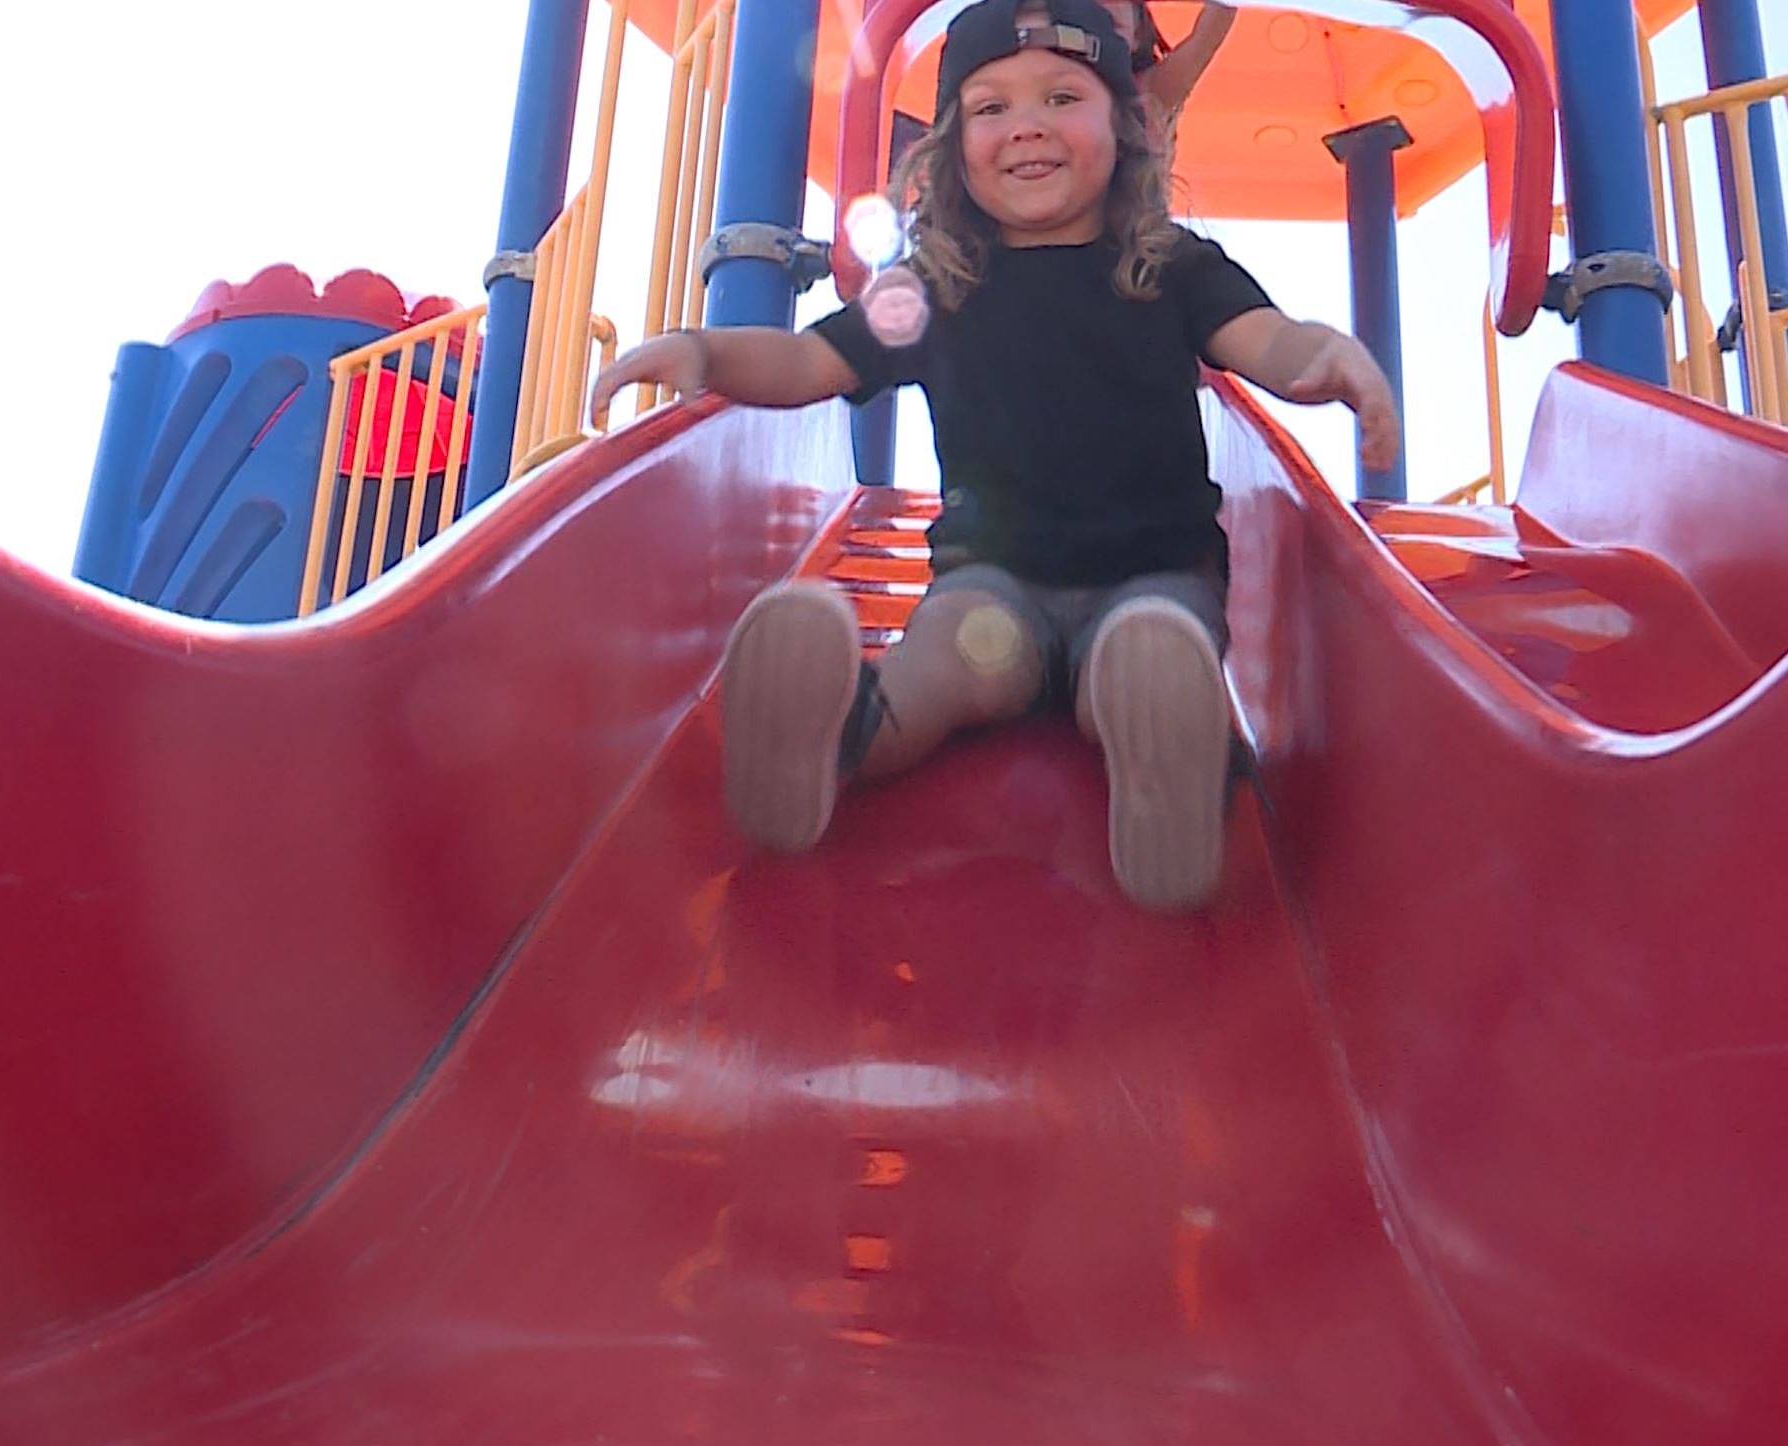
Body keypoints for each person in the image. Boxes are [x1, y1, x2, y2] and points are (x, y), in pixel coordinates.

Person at [586, 0, 1398, 912]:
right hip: (991, 590)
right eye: (992, 108)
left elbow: (1267, 340)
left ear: (1125, 127)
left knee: (1143, 656)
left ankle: (1168, 769)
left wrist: (1325, 357)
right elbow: (813, 360)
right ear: (952, 150)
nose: (1028, 127)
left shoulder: (1171, 265)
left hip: (1153, 579)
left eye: (1063, 98)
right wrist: (704, 353)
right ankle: (834, 735)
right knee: (939, 667)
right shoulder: (934, 287)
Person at [1105, 0, 1237, 150]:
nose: (1099, 34)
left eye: (1111, 25)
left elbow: (1219, 17)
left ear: (1137, 35)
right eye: (1088, 21)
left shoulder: (1148, 91)